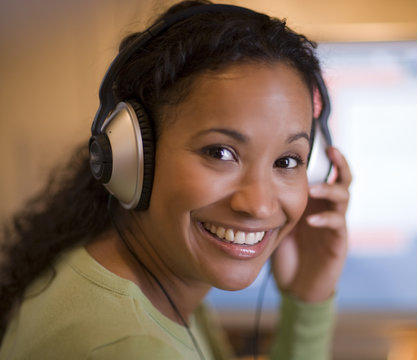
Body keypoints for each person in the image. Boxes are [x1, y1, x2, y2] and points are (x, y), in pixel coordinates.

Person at [0, 1, 351, 359]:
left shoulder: (161, 279)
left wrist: (309, 297)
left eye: (287, 160)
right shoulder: (131, 349)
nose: (259, 204)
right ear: (130, 156)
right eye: (220, 153)